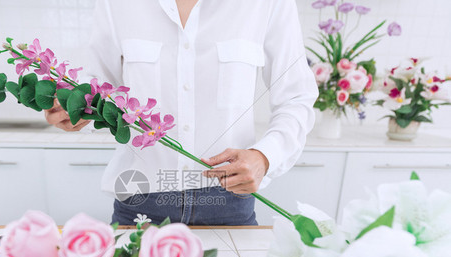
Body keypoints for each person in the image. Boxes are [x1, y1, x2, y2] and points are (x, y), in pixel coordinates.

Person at [45, 0, 318, 226]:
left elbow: (296, 96)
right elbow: (99, 89)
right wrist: (75, 109)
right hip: (140, 203)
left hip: (229, 205)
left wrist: (264, 157)